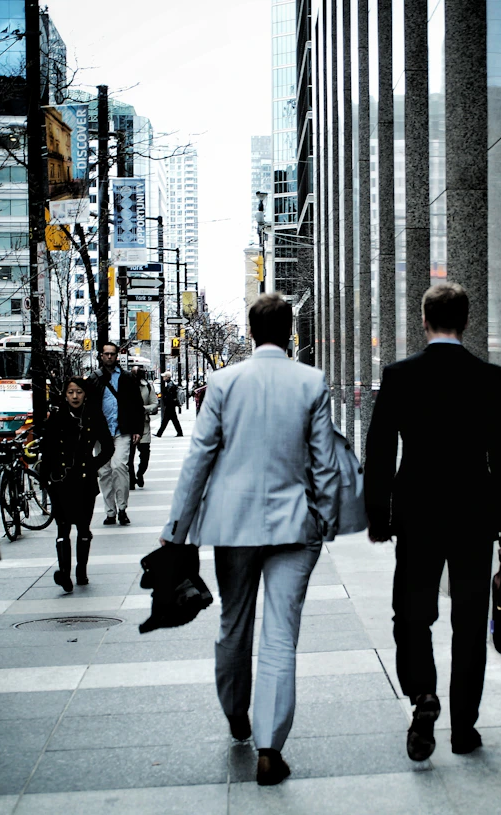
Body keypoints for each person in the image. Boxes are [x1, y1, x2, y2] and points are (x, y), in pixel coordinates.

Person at [159, 294, 339, 786]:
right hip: (296, 526)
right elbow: (324, 463)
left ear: (251, 330)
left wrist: (177, 532)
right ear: (290, 333)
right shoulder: (311, 381)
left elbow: (199, 458)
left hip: (233, 525)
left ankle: (237, 713)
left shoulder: (222, 381)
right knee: (281, 633)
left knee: (233, 621)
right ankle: (269, 746)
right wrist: (327, 517)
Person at [365, 282, 501, 761]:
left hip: (417, 512)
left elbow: (379, 451)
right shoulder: (491, 379)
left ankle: (423, 694)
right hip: (474, 515)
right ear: (467, 322)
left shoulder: (399, 376)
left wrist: (378, 515)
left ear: (424, 321)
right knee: (470, 621)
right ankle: (464, 728)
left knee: (412, 613)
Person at [39, 377, 114, 592]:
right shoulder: (56, 417)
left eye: (79, 392)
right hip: (60, 480)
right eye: (70, 392)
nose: (74, 396)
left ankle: (81, 571)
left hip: (84, 480)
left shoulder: (93, 416)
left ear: (85, 394)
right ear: (65, 395)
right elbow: (47, 449)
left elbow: (108, 447)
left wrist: (93, 465)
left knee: (83, 527)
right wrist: (45, 478)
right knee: (62, 528)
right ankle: (64, 573)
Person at [85, 343, 144, 526]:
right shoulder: (94, 378)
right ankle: (110, 511)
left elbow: (136, 404)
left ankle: (122, 509)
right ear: (101, 356)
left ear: (117, 356)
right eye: (106, 354)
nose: (109, 357)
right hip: (101, 432)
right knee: (104, 472)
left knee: (119, 467)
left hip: (122, 430)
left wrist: (137, 429)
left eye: (112, 354)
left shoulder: (127, 378)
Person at [129, 365, 159, 489]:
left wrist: (143, 409)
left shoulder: (147, 386)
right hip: (128, 425)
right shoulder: (125, 386)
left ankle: (140, 473)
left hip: (144, 425)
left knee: (145, 454)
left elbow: (154, 404)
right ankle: (131, 480)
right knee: (128, 456)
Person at [155, 370, 183, 437]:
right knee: (171, 420)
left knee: (167, 420)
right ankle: (179, 432)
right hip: (171, 405)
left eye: (164, 376)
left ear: (167, 377)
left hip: (170, 405)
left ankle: (159, 433)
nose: (163, 378)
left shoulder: (170, 385)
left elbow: (168, 396)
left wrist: (166, 402)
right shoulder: (170, 384)